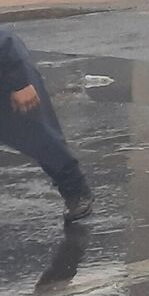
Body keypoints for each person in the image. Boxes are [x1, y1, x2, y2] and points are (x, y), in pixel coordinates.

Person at [1, 24, 91, 223]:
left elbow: (4, 40)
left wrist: (20, 83)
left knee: (39, 137)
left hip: (8, 75)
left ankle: (76, 191)